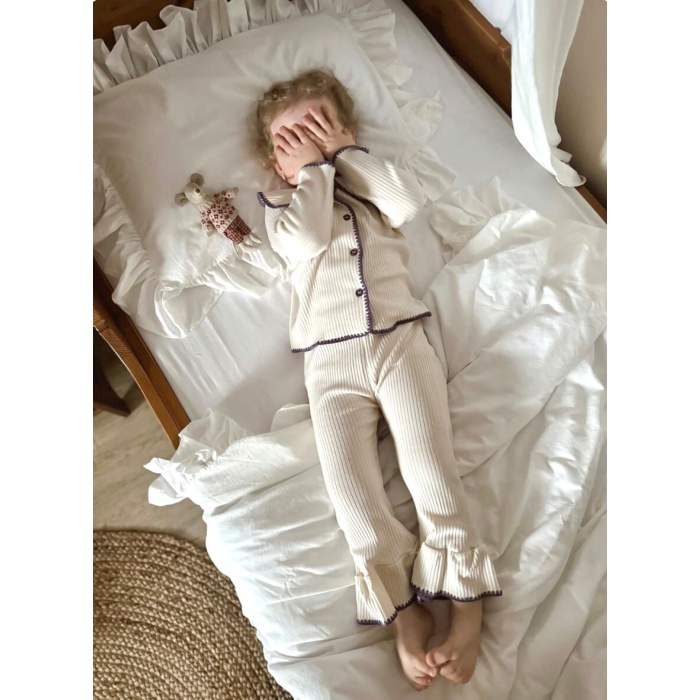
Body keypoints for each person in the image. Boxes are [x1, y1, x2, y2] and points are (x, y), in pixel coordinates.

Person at [251, 68, 501, 691]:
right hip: (329, 366)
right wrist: (313, 172)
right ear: (277, 164)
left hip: (399, 343)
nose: (307, 143)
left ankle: (467, 604)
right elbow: (309, 238)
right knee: (354, 499)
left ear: (346, 130)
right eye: (290, 139)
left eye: (318, 127)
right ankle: (403, 611)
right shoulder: (282, 212)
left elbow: (407, 203)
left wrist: (344, 155)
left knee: (431, 472)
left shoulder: (370, 189)